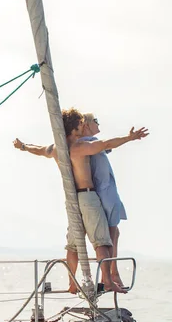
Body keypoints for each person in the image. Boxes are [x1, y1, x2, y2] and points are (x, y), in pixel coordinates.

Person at [13, 108, 149, 293]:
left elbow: (38, 150)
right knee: (102, 242)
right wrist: (129, 137)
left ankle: (72, 283)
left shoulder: (55, 149)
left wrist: (22, 146)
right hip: (87, 196)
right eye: (80, 123)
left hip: (71, 199)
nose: (83, 125)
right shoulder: (79, 148)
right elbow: (106, 143)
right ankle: (108, 281)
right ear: (75, 127)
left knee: (73, 244)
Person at [79, 113, 126, 287]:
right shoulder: (88, 143)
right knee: (111, 234)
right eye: (95, 121)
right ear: (86, 125)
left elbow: (106, 148)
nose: (99, 123)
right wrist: (131, 137)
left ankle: (111, 273)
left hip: (105, 191)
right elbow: (106, 145)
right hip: (106, 192)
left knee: (113, 234)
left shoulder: (86, 143)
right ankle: (113, 274)